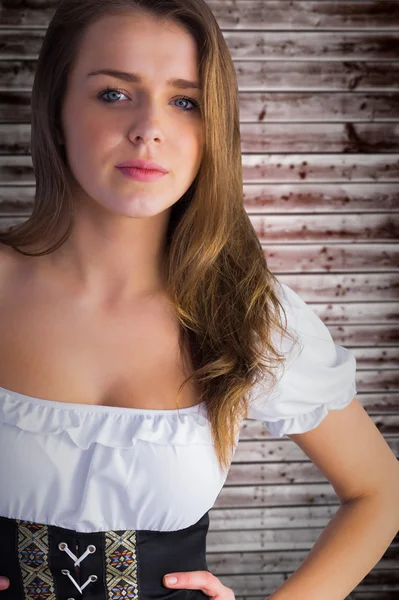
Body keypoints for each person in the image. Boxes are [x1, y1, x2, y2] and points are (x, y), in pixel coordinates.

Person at [0, 1, 399, 599]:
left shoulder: (248, 312)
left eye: (184, 101)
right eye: (114, 93)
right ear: (55, 108)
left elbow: (380, 493)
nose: (149, 128)